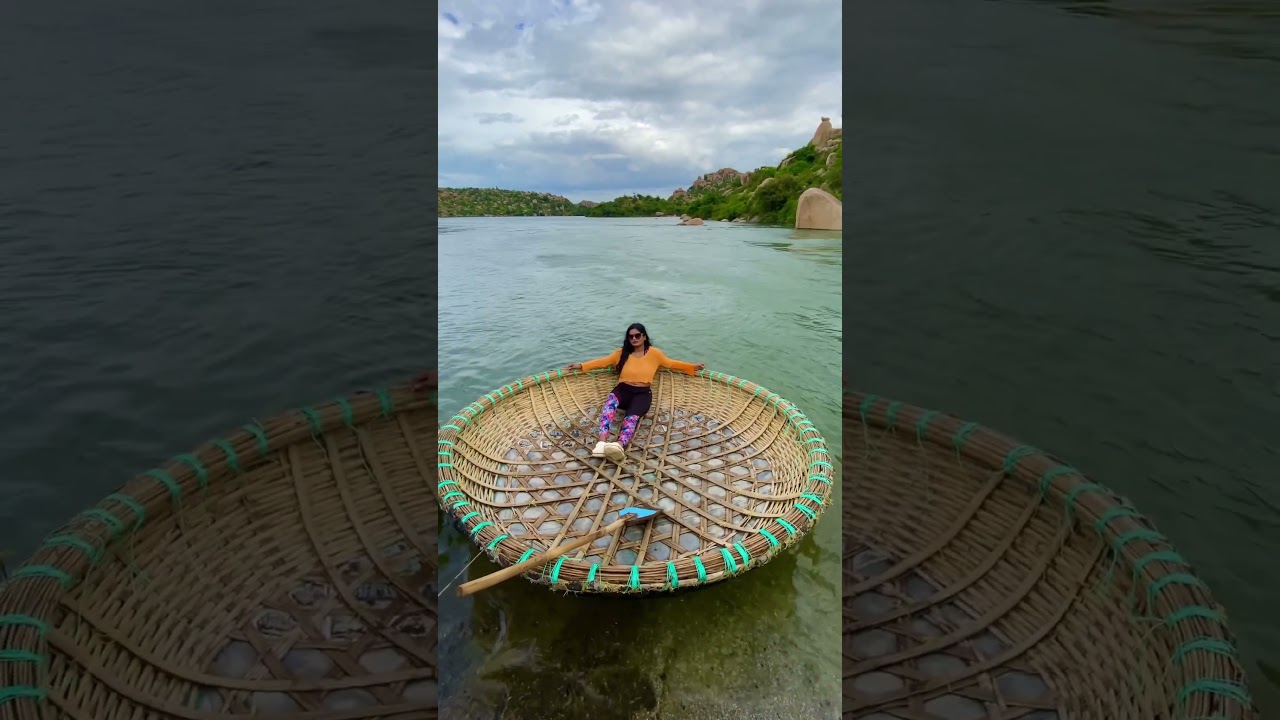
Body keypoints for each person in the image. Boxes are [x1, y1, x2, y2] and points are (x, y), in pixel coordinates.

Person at [565, 323, 704, 463]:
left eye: (637, 335)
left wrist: (692, 366)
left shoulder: (655, 354)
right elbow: (603, 362)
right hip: (622, 390)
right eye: (631, 336)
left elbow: (671, 363)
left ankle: (619, 445)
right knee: (609, 408)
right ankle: (601, 443)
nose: (634, 338)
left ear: (644, 337)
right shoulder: (620, 353)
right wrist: (582, 365)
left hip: (642, 395)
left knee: (630, 419)